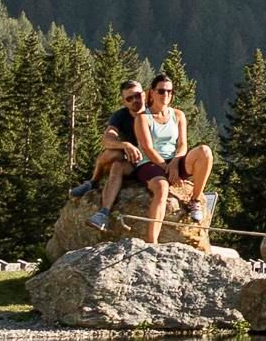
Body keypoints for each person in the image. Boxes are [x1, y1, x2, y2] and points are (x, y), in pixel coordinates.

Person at [125, 77, 215, 245]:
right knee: (162, 187)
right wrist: (167, 168)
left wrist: (175, 163)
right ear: (152, 93)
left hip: (173, 160)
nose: (165, 94)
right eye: (161, 91)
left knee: (205, 152)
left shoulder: (178, 115)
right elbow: (147, 148)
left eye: (169, 91)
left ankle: (195, 199)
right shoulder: (142, 118)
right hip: (150, 163)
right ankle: (152, 242)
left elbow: (182, 144)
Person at [84, 82, 152, 229]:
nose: (135, 100)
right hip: (133, 162)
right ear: (124, 102)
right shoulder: (121, 115)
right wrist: (125, 145)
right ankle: (103, 212)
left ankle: (94, 185)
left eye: (137, 95)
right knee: (114, 158)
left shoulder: (153, 113)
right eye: (129, 98)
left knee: (116, 160)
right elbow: (107, 139)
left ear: (144, 95)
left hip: (152, 162)